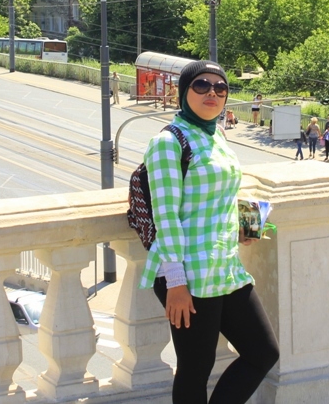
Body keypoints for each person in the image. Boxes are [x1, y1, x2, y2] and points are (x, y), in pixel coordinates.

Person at [140, 59, 279, 403]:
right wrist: (175, 282)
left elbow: (226, 190)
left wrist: (248, 224)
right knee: (195, 368)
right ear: (183, 92)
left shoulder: (216, 133)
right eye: (201, 85)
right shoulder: (168, 143)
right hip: (187, 272)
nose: (212, 93)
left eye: (220, 87)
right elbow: (166, 216)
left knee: (263, 352)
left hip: (224, 265)